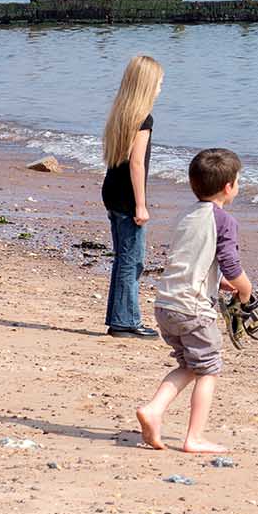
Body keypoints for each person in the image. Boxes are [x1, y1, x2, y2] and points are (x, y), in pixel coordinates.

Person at [135, 148, 250, 454]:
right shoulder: (224, 220)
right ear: (229, 187)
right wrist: (245, 289)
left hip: (166, 304)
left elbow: (194, 259)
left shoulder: (185, 214)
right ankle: (194, 437)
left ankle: (154, 409)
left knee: (189, 365)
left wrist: (219, 283)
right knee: (209, 370)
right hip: (194, 309)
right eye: (238, 180)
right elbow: (231, 265)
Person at [99, 54, 165, 337]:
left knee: (122, 257)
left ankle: (118, 318)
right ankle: (126, 321)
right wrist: (141, 205)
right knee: (132, 260)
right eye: (159, 84)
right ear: (147, 86)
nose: (161, 89)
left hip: (111, 190)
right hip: (127, 197)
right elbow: (136, 163)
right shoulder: (143, 119)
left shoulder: (120, 112)